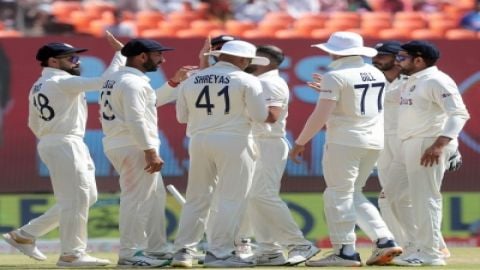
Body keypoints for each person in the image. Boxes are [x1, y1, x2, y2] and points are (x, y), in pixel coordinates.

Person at [2, 33, 124, 267]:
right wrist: (120, 54)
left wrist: (51, 137)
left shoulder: (38, 84)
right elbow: (106, 80)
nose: (76, 62)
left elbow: (32, 124)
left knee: (86, 197)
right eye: (70, 58)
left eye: (75, 58)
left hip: (56, 141)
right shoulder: (61, 81)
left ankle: (25, 235)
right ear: (53, 62)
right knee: (76, 199)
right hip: (65, 142)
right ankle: (72, 254)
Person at [289, 31, 402, 267]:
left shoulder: (336, 76)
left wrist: (300, 142)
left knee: (337, 194)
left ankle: (345, 252)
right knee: (353, 192)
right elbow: (357, 100)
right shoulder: (374, 72)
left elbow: (321, 114)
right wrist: (331, 91)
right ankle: (384, 240)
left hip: (345, 142)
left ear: (335, 52)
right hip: (373, 141)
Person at [171, 40, 269, 268]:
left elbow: (182, 117)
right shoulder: (247, 80)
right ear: (243, 60)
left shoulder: (191, 79)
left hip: (199, 140)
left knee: (196, 198)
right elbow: (260, 116)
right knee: (231, 198)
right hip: (234, 140)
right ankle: (219, 253)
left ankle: (183, 251)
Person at [98, 38, 193, 268]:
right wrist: (149, 150)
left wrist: (173, 82)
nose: (163, 59)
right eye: (158, 54)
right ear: (142, 56)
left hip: (122, 143)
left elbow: (149, 104)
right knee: (136, 199)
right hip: (135, 146)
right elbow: (136, 119)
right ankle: (130, 254)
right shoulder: (133, 83)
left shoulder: (117, 79)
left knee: (154, 197)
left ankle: (156, 249)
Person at [387, 40, 470, 266]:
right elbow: (385, 98)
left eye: (402, 57)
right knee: (392, 196)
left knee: (425, 198)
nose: (397, 61)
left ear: (419, 60)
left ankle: (431, 253)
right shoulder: (410, 80)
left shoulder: (436, 80)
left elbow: (459, 114)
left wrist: (440, 145)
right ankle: (416, 245)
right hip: (407, 144)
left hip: (427, 144)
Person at [239, 45, 319, 266]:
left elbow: (271, 116)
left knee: (263, 195)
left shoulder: (270, 82)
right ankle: (269, 250)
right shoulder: (259, 81)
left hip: (268, 143)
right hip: (259, 143)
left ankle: (299, 243)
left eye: (256, 57)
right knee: (255, 197)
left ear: (269, 61)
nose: (250, 60)